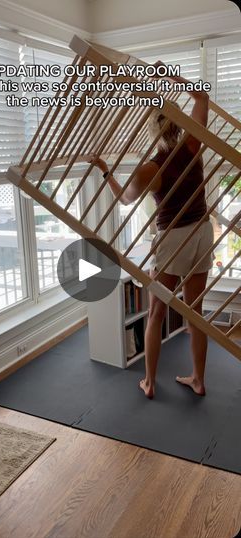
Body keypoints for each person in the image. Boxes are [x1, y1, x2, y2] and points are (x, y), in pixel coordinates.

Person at [90, 63, 214, 399]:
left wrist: (104, 170)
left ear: (153, 130)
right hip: (202, 231)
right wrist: (168, 75)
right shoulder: (192, 145)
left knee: (158, 311)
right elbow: (201, 94)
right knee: (196, 312)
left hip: (174, 239)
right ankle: (199, 380)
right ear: (178, 123)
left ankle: (149, 382)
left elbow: (124, 198)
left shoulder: (151, 168)